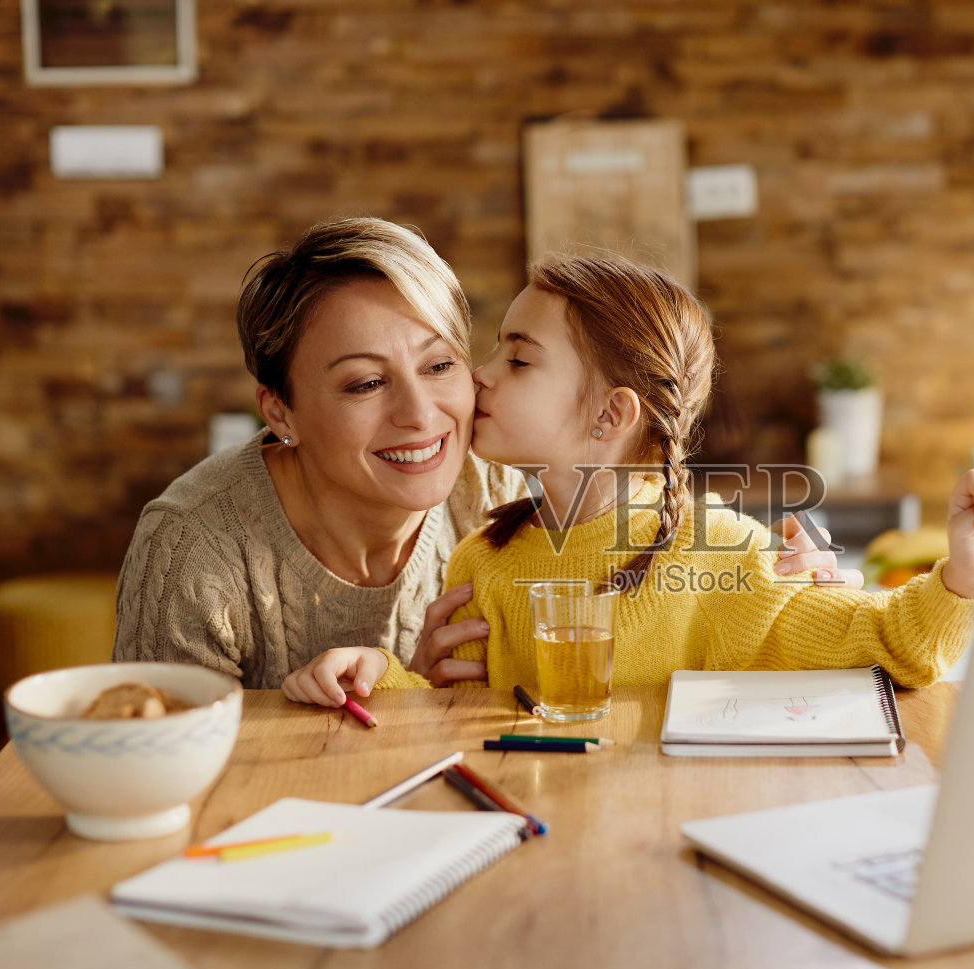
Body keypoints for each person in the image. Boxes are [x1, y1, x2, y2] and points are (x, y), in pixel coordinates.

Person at [115, 219, 848, 689]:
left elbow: (652, 541)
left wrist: (779, 577)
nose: (421, 413)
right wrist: (412, 688)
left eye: (440, 365)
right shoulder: (195, 548)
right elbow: (160, 770)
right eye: (366, 382)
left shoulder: (503, 480)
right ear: (280, 411)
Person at [281, 252, 974, 706]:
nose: (476, 375)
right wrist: (376, 672)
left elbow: (892, 643)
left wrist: (964, 574)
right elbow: (460, 713)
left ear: (610, 416)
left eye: (518, 358)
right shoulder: (485, 556)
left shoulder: (726, 557)